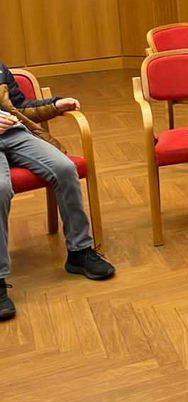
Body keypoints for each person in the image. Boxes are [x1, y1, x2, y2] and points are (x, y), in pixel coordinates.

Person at [0, 63, 115, 321]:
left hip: (14, 133)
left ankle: (79, 252)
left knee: (64, 168)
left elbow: (19, 106)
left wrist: (55, 105)